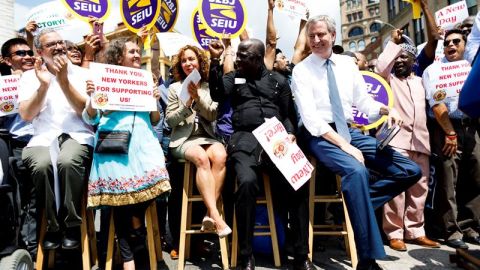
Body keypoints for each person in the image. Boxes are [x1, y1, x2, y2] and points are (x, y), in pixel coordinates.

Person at [291, 15, 421, 270]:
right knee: (356, 170)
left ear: (333, 36)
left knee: (410, 170)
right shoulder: (301, 70)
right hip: (320, 135)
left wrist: (386, 109)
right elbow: (310, 120)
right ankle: (368, 260)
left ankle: (352, 205)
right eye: (312, 36)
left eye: (321, 35)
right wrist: (345, 146)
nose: (316, 40)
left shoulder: (347, 66)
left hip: (350, 131)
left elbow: (364, 104)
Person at [209, 38, 314, 270]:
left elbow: (288, 115)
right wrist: (215, 60)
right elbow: (217, 93)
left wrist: (289, 133)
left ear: (257, 59)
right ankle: (246, 255)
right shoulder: (236, 77)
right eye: (237, 55)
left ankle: (300, 254)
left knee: (299, 182)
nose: (238, 59)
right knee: (246, 182)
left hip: (277, 140)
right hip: (245, 139)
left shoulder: (278, 81)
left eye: (243, 56)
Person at [83, 37, 171, 270]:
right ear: (117, 56)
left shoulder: (145, 80)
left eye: (137, 51)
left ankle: (133, 249)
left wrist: (153, 100)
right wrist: (93, 97)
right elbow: (91, 117)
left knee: (139, 199)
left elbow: (155, 120)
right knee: (122, 203)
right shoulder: (103, 78)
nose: (135, 55)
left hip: (144, 147)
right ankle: (133, 258)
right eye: (131, 51)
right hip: (114, 146)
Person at [18, 29, 93, 250]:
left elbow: (85, 112)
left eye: (61, 42)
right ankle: (52, 225)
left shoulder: (82, 74)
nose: (59, 47)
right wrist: (43, 85)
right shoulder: (30, 77)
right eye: (52, 44)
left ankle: (71, 224)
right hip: (42, 137)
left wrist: (63, 81)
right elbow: (26, 115)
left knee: (68, 162)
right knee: (40, 165)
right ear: (40, 51)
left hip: (77, 134)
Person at [376, 29, 440, 252]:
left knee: (419, 189)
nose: (400, 60)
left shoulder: (422, 81)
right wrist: (392, 46)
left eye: (405, 56)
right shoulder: (388, 80)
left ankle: (415, 231)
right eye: (397, 56)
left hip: (421, 143)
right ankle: (394, 233)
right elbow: (379, 68)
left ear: (414, 60)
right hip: (396, 142)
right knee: (397, 191)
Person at [165, 45, 231, 238]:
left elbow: (212, 115)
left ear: (200, 62)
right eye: (184, 60)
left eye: (191, 59)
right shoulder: (174, 88)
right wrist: (187, 104)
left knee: (220, 155)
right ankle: (217, 218)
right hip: (184, 140)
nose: (187, 63)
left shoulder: (210, 86)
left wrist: (198, 99)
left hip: (207, 136)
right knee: (201, 158)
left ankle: (208, 215)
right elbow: (169, 121)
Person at [423, 28, 480, 249]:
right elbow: (436, 104)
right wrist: (450, 132)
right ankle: (451, 230)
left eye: (457, 41)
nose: (451, 45)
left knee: (474, 175)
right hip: (446, 127)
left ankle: (471, 227)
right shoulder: (434, 71)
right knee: (449, 179)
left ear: (465, 45)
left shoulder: (471, 68)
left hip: (472, 127)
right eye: (447, 42)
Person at [1, 37, 37, 258]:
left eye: (28, 52)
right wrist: (13, 89)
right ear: (6, 60)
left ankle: (32, 249)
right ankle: (17, 245)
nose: (27, 57)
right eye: (20, 54)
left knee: (36, 199)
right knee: (17, 199)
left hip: (41, 143)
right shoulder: (3, 85)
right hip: (15, 145)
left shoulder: (42, 78)